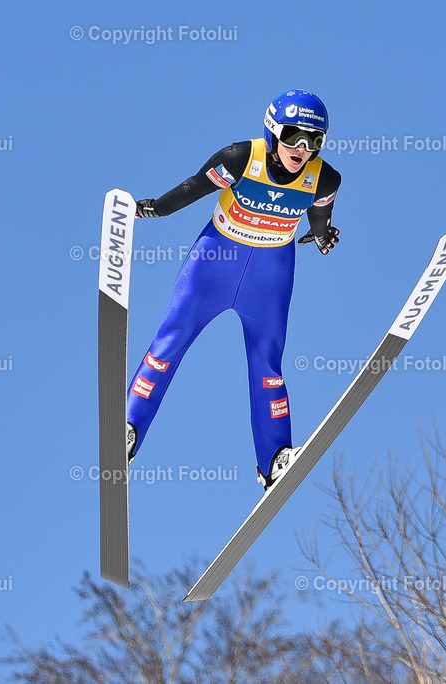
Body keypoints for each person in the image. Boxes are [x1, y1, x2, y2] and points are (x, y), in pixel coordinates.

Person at [127, 89, 342, 491]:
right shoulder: (239, 158)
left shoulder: (325, 178)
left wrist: (322, 235)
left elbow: (319, 215)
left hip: (270, 278)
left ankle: (274, 458)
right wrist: (154, 207)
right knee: (169, 342)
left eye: (314, 140)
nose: (303, 148)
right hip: (214, 265)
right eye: (295, 135)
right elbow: (193, 188)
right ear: (274, 130)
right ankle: (130, 426)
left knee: (268, 365)